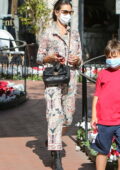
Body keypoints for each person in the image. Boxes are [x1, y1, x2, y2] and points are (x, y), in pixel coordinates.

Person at [37, 0, 82, 169]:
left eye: (70, 12)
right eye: (64, 11)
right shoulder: (48, 32)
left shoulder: (75, 33)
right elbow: (39, 57)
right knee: (54, 116)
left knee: (68, 118)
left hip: (70, 79)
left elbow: (80, 57)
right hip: (53, 81)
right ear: (56, 12)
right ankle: (56, 157)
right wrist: (49, 58)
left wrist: (77, 60)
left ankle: (53, 137)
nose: (67, 15)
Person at [91, 39, 120, 170]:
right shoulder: (102, 74)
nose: (111, 59)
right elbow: (96, 96)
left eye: (114, 57)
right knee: (102, 151)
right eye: (108, 57)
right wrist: (93, 116)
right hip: (104, 120)